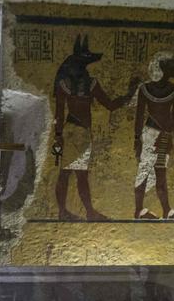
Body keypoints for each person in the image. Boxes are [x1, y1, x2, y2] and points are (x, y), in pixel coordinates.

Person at [53, 35, 139, 221]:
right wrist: (58, 135)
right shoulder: (68, 84)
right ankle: (76, 211)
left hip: (78, 132)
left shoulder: (83, 83)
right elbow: (59, 113)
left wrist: (129, 93)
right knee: (72, 174)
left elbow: (109, 105)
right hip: (76, 131)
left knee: (73, 174)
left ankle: (78, 211)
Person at [133, 51, 174, 220]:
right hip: (149, 134)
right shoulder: (145, 89)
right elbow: (139, 115)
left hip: (165, 136)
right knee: (144, 171)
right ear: (165, 69)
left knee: (160, 173)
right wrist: (137, 139)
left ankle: (167, 210)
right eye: (173, 68)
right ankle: (139, 210)